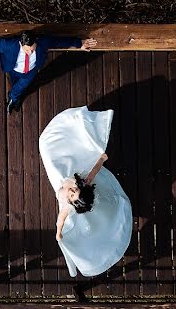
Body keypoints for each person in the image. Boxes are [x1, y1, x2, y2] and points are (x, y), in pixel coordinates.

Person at [39, 106, 132, 277]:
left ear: (72, 202)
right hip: (67, 168)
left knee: (45, 147)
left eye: (73, 195)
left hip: (57, 177)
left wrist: (59, 234)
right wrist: (101, 159)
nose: (73, 191)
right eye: (76, 191)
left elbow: (60, 221)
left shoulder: (67, 206)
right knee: (51, 144)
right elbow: (94, 171)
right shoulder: (83, 182)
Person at [0, 30, 97, 113]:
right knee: (16, 83)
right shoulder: (8, 45)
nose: (30, 51)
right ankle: (15, 96)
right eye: (27, 49)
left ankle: (13, 99)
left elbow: (59, 41)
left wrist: (80, 44)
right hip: (13, 69)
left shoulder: (42, 42)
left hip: (31, 72)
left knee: (21, 87)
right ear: (21, 44)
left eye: (33, 48)